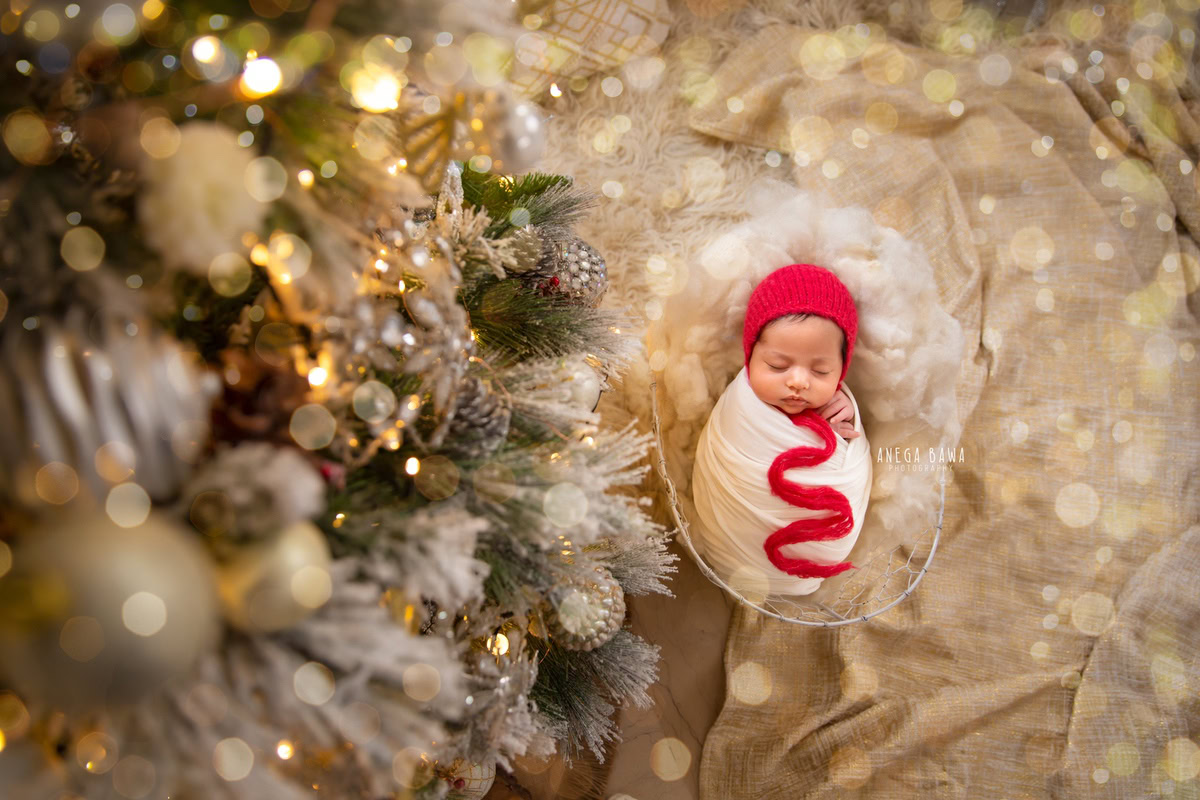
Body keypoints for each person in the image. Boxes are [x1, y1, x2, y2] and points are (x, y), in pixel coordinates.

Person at [691, 263, 872, 596]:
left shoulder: (830, 403)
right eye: (777, 365)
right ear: (750, 356)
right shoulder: (740, 409)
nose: (797, 382)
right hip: (735, 543)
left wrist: (845, 409)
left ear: (841, 371)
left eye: (820, 371)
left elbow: (848, 448)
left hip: (815, 553)